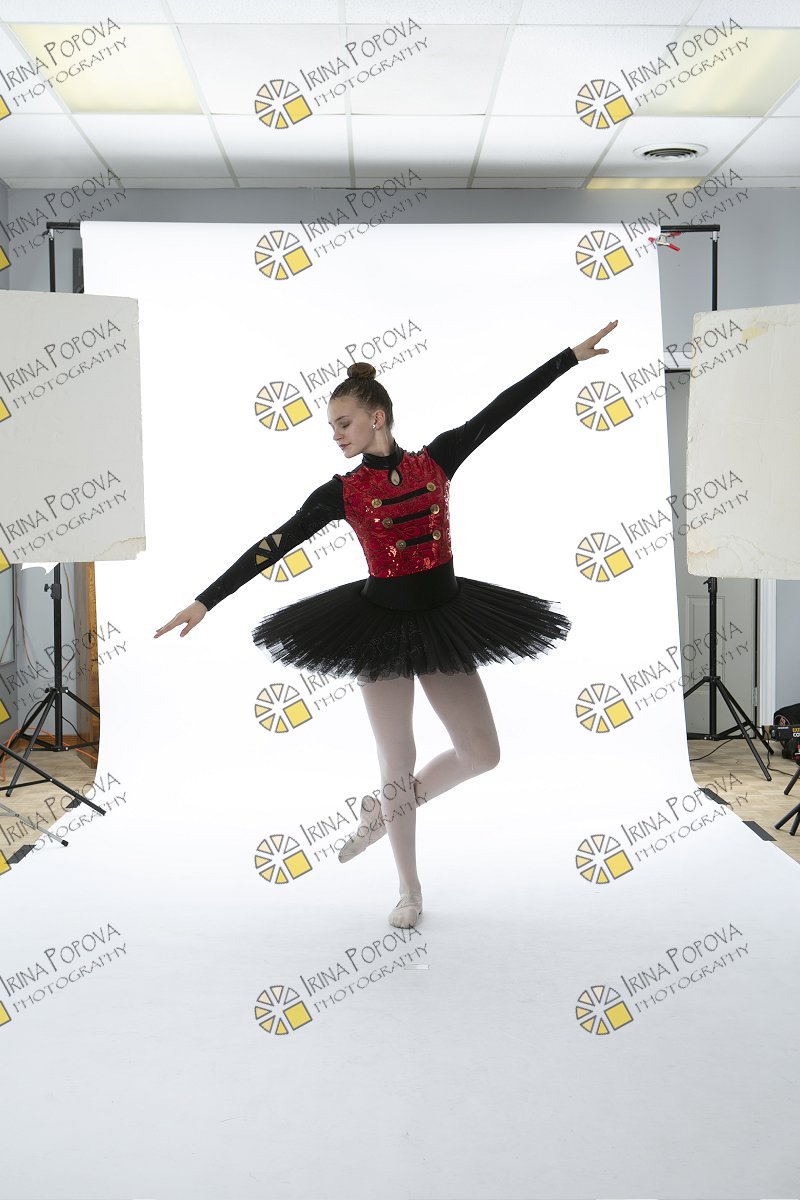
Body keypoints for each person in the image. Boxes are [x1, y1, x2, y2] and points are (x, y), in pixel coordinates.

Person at [155, 320, 619, 928]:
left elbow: (502, 407)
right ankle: (409, 888)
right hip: (377, 627)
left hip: (445, 619)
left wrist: (570, 358)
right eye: (331, 427)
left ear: (377, 417)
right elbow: (275, 543)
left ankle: (383, 811)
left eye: (342, 423)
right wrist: (206, 599)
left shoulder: (437, 459)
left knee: (482, 752)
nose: (335, 435)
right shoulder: (342, 492)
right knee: (397, 755)